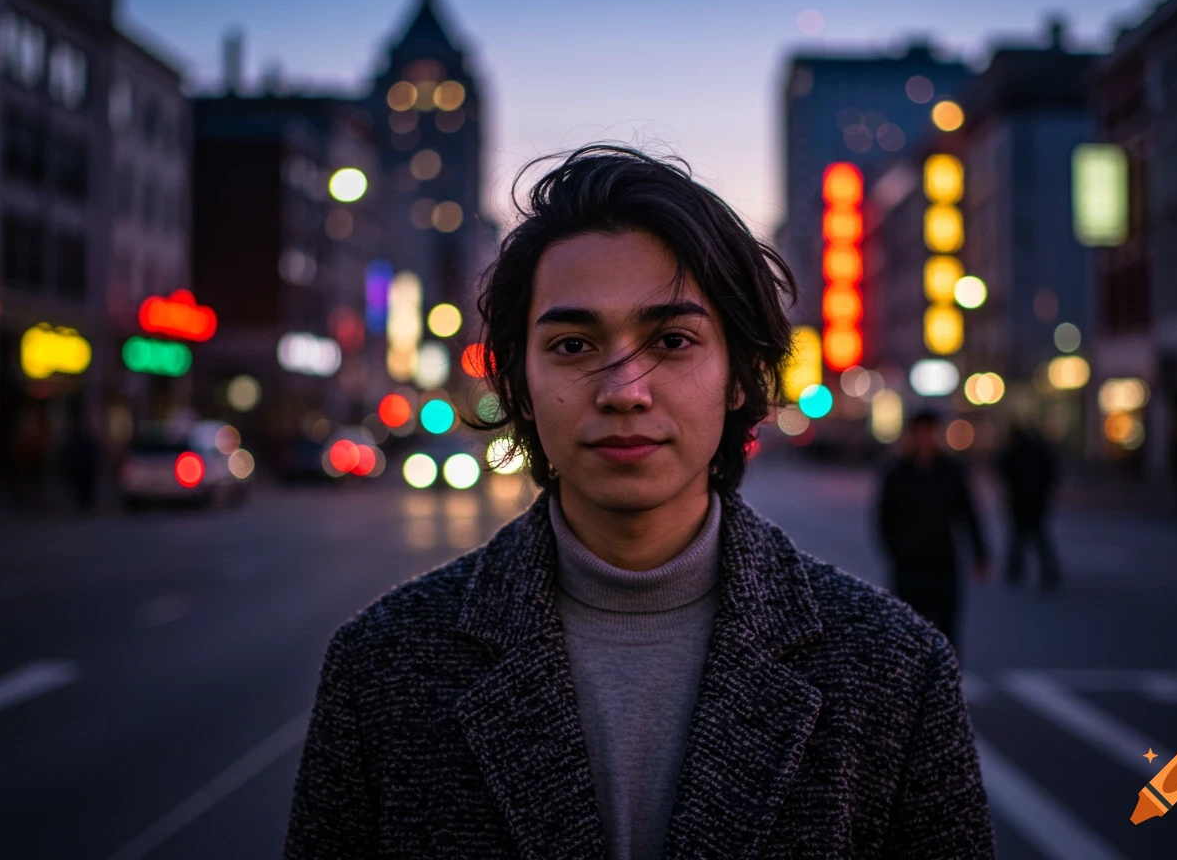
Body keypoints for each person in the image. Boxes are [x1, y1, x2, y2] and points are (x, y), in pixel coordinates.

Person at [285, 146, 994, 859]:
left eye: (672, 340)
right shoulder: (381, 667)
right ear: (520, 385)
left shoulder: (895, 669)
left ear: (741, 376)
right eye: (572, 344)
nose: (624, 389)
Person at [876, 409, 991, 657]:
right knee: (908, 631)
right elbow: (884, 519)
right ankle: (913, 688)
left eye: (929, 432)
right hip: (909, 565)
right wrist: (896, 551)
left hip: (943, 562)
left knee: (947, 632)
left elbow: (967, 513)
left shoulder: (951, 471)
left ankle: (947, 687)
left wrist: (980, 553)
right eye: (920, 432)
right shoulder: (897, 474)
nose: (924, 438)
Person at [997, 423, 1060, 591]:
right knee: (1035, 537)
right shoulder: (1038, 451)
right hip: (1034, 501)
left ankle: (1016, 570)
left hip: (1021, 501)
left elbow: (1002, 467)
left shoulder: (1016, 451)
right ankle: (1045, 573)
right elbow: (1051, 472)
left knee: (1022, 537)